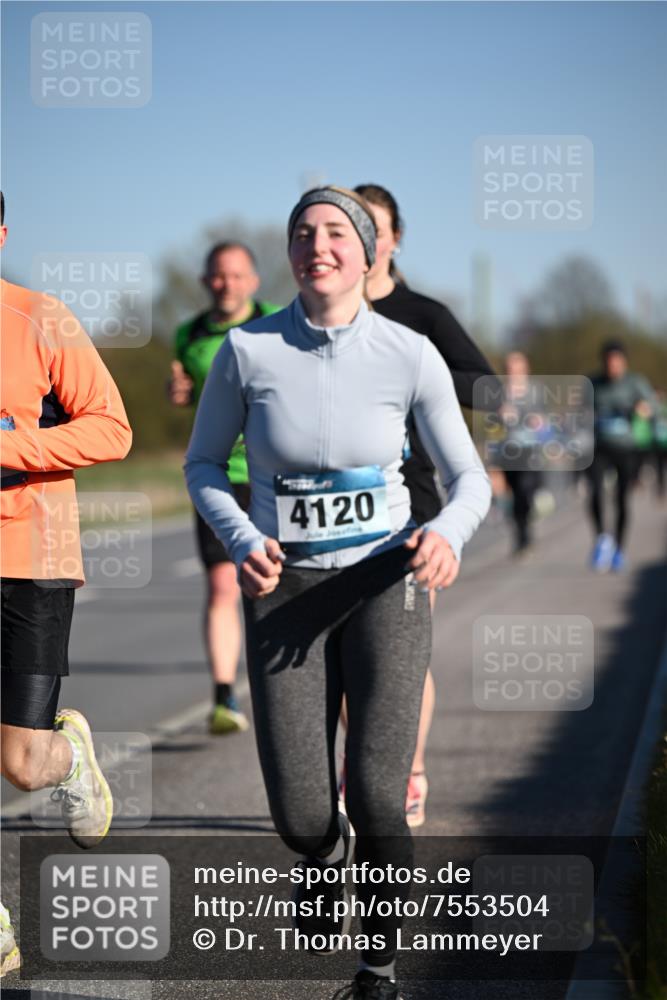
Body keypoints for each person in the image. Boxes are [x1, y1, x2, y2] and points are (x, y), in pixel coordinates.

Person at [185, 186, 491, 1000]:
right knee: (300, 811)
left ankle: (378, 970)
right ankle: (322, 856)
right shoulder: (246, 352)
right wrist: (245, 540)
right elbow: (203, 465)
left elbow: (467, 479)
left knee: (382, 797)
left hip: (386, 582)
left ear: (367, 251)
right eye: (300, 233)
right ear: (288, 254)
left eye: (333, 233)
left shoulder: (407, 351)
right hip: (284, 591)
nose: (315, 244)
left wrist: (444, 535)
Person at [0, 191, 132, 975]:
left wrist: (15, 447)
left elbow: (111, 425)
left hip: (33, 558)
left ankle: (69, 756)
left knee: (20, 762)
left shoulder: (39, 317)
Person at [349, 182, 499, 827]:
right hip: (331, 506)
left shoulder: (424, 315)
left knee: (400, 654)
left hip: (411, 501)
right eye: (352, 226)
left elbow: (486, 387)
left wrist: (421, 368)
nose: (363, 238)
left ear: (394, 239)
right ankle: (361, 779)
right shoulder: (316, 312)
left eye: (374, 228)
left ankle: (407, 773)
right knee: (345, 657)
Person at [168, 242, 280, 734]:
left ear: (253, 280)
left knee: (276, 583)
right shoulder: (186, 335)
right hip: (217, 477)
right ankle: (223, 696)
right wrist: (179, 395)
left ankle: (287, 682)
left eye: (236, 275)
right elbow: (186, 394)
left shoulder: (280, 322)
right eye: (217, 276)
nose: (226, 284)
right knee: (221, 584)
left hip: (273, 475)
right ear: (205, 281)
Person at [588, 340, 655, 571]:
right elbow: (578, 409)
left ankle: (619, 548)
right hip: (599, 448)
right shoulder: (593, 383)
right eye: (608, 362)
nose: (612, 366)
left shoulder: (635, 383)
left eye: (616, 362)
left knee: (621, 499)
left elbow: (652, 408)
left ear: (623, 362)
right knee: (595, 493)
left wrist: (643, 409)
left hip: (626, 448)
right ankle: (601, 540)